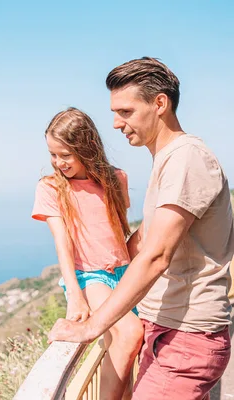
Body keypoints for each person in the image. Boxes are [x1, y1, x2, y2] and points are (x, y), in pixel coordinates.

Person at [48, 57, 234, 399]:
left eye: (126, 112)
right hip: (168, 332)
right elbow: (143, 241)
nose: (116, 123)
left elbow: (155, 255)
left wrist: (92, 326)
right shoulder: (167, 160)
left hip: (185, 337)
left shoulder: (186, 158)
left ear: (159, 103)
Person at [32, 107, 143, 399]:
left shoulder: (116, 179)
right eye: (53, 155)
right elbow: (63, 243)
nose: (58, 162)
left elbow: (120, 233)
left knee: (124, 353)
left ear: (86, 148)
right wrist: (74, 294)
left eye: (65, 155)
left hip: (124, 272)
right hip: (89, 276)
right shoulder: (51, 188)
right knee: (131, 333)